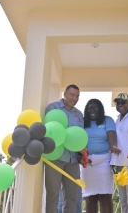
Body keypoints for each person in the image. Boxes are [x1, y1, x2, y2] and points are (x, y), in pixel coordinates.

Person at [44, 84, 84, 213]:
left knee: (72, 198)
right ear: (65, 94)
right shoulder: (52, 108)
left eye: (77, 96)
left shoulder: (79, 114)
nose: (75, 98)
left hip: (73, 161)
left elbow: (79, 136)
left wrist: (83, 155)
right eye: (72, 95)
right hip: (54, 159)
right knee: (52, 196)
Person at [80, 99, 121, 213]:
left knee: (105, 195)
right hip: (87, 163)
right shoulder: (83, 122)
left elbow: (111, 134)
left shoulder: (107, 120)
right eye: (89, 108)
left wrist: (112, 146)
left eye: (95, 107)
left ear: (100, 109)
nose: (92, 110)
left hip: (104, 161)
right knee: (90, 197)